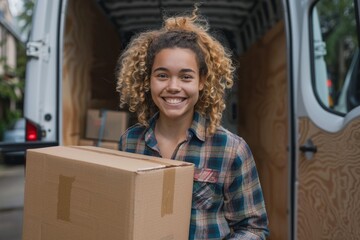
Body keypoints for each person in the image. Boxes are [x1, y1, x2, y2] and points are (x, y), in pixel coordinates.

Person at [116, 5, 269, 240]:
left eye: (186, 76)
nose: (173, 86)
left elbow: (253, 228)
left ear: (201, 82)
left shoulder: (230, 149)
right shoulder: (130, 142)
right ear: (148, 80)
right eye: (162, 75)